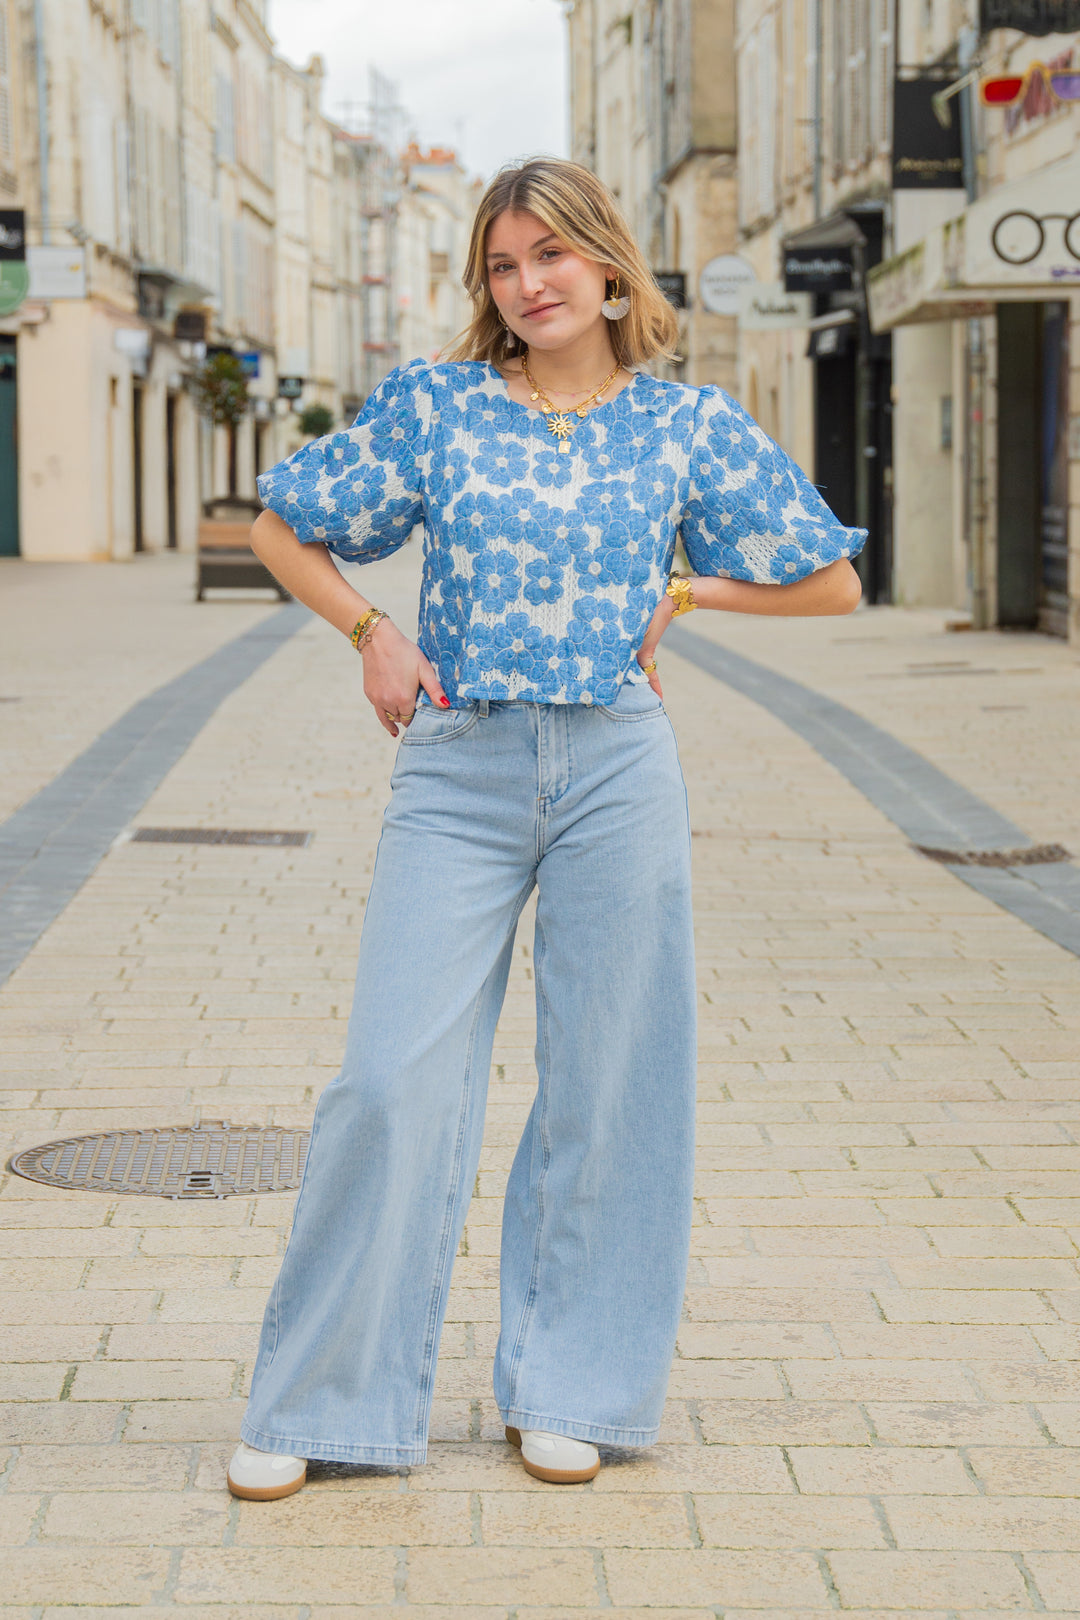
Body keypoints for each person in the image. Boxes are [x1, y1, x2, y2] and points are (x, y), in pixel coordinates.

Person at [225, 157, 865, 1503]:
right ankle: (323, 1398)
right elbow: (281, 528)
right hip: (456, 772)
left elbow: (831, 582)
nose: (527, 286)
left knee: (614, 1086)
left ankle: (573, 1385)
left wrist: (685, 591)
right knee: (393, 1080)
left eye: (550, 259)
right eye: (504, 267)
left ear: (611, 266)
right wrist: (370, 631)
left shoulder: (683, 422)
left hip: (618, 766)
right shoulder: (440, 406)